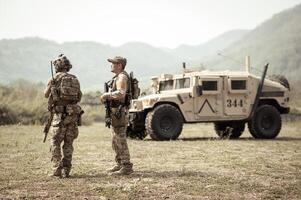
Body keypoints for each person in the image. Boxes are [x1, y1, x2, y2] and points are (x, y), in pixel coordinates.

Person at [44, 54, 83, 178]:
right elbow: (79, 96)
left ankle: (57, 170)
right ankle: (66, 170)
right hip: (73, 115)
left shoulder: (54, 78)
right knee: (68, 143)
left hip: (59, 116)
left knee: (55, 142)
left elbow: (46, 94)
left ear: (57, 66)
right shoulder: (75, 78)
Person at [100, 56, 133, 175]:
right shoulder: (118, 77)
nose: (111, 65)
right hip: (116, 112)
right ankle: (119, 163)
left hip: (119, 112)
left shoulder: (122, 77)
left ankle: (126, 166)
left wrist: (106, 96)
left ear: (119, 65)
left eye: (113, 63)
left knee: (120, 139)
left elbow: (121, 93)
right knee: (115, 139)